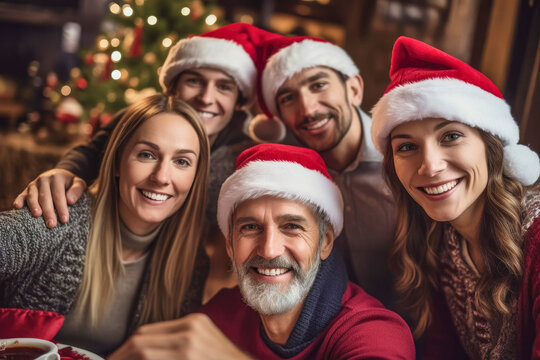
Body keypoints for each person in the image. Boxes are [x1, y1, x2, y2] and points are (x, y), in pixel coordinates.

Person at [13, 22, 278, 301]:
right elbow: (94, 150)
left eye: (223, 87)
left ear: (238, 101)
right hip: (127, 245)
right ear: (173, 87)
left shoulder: (244, 151)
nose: (206, 97)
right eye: (194, 81)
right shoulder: (147, 119)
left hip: (187, 263)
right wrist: (65, 172)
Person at [109, 143, 415, 359]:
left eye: (292, 227)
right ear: (229, 244)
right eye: (250, 228)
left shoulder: (372, 330)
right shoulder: (221, 314)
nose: (269, 250)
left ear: (325, 243)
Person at [0, 94, 210, 356]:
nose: (161, 177)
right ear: (118, 162)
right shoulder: (62, 215)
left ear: (195, 176)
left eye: (181, 161)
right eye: (146, 155)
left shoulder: (192, 264)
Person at [370, 36, 540, 359]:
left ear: (490, 147)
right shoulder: (440, 242)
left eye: (450, 136)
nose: (430, 166)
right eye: (407, 146)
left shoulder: (536, 238)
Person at [252, 35, 396, 308]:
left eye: (318, 85)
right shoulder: (285, 176)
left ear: (353, 88)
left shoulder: (404, 155)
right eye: (288, 98)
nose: (307, 109)